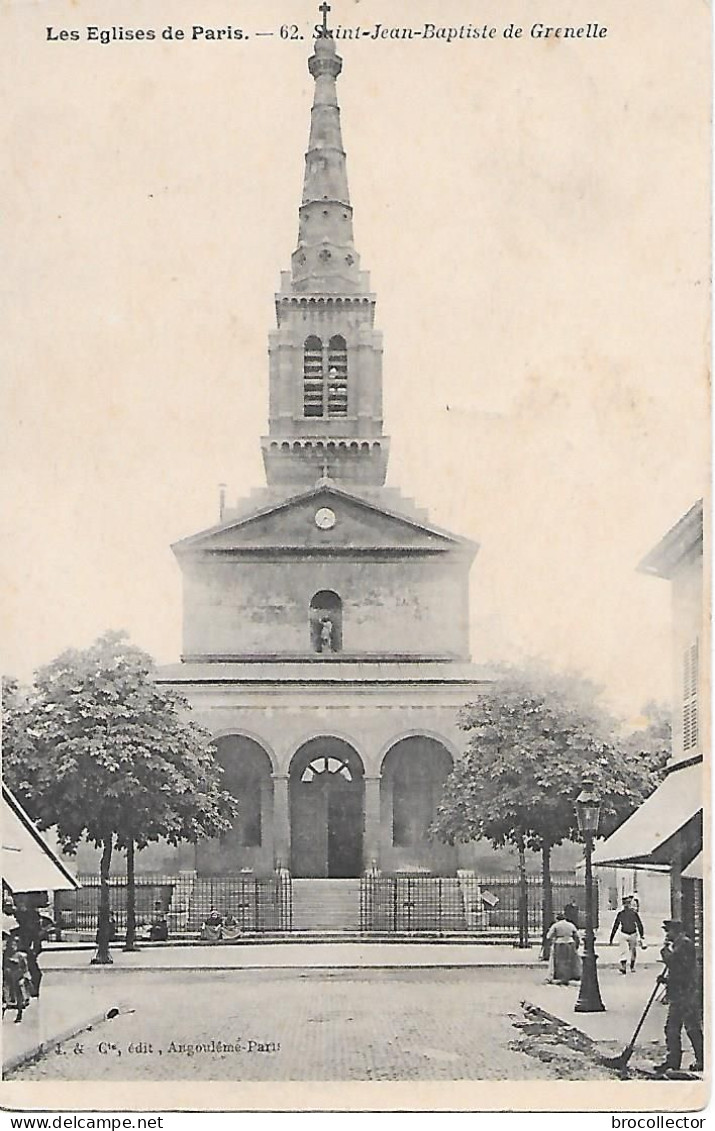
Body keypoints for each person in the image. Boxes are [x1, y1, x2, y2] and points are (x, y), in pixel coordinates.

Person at [653, 919, 703, 1075]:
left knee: (685, 1028)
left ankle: (697, 1059)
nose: (667, 935)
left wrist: (664, 951)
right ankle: (675, 1061)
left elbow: (677, 965)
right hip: (681, 993)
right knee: (679, 1028)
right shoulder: (680, 944)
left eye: (668, 931)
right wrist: (666, 980)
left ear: (676, 931)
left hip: (685, 994)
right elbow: (678, 969)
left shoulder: (684, 944)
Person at [609, 894, 645, 974]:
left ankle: (631, 966)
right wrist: (611, 937)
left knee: (633, 951)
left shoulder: (632, 913)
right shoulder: (622, 914)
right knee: (624, 951)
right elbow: (616, 925)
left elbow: (639, 924)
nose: (626, 905)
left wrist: (641, 935)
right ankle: (624, 967)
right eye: (625, 904)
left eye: (628, 903)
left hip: (632, 934)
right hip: (625, 934)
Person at [545, 911, 582, 985]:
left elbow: (548, 936)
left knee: (560, 961)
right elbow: (577, 935)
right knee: (571, 960)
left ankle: (560, 976)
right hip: (570, 943)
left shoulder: (556, 925)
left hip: (559, 943)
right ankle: (573, 975)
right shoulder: (570, 925)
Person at [3, 934, 33, 1023]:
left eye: (14, 945)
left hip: (18, 978)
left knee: (19, 995)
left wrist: (27, 978)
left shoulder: (21, 956)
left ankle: (19, 1013)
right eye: (10, 945)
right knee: (6, 997)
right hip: (8, 979)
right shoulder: (5, 955)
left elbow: (25, 968)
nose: (12, 947)